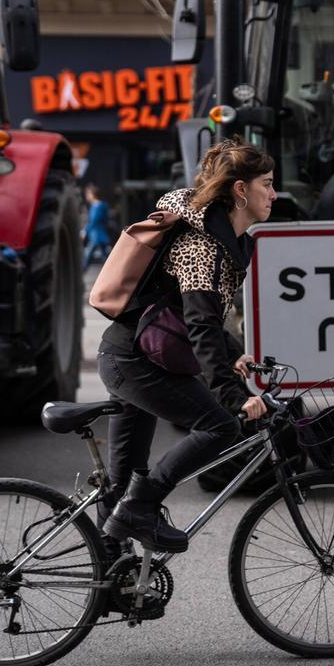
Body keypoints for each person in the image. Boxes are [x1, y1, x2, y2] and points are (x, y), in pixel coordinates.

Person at [96, 138, 276, 555]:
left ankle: (108, 576)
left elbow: (196, 316)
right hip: (133, 360)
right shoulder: (202, 244)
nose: (273, 193)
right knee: (221, 427)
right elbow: (198, 323)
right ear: (241, 190)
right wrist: (232, 396)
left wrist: (234, 354)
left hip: (140, 355)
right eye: (266, 183)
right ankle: (142, 510)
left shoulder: (229, 239)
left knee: (121, 485)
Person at [81, 184, 111, 271]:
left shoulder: (96, 206)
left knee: (88, 257)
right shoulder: (102, 205)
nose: (86, 196)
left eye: (88, 194)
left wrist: (85, 231)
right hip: (101, 235)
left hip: (96, 236)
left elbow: (93, 221)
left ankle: (81, 274)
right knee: (105, 257)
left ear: (92, 194)